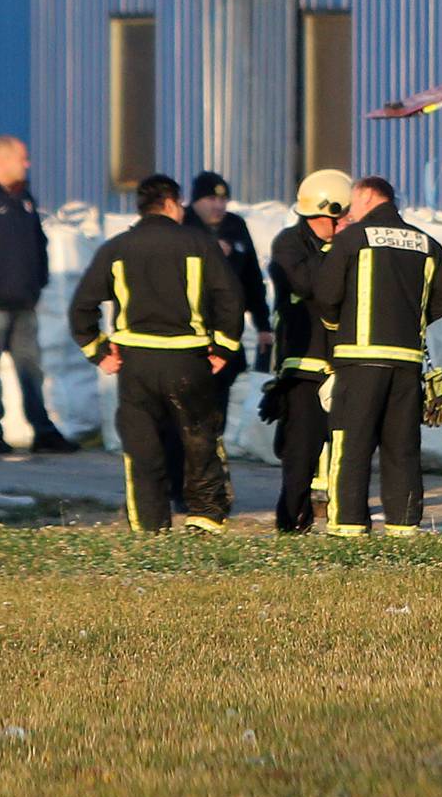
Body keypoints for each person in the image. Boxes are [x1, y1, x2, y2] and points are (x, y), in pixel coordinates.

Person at [68, 173, 244, 533]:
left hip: (136, 366)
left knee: (143, 449)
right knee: (199, 439)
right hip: (189, 361)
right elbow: (230, 297)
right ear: (169, 203)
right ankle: (206, 517)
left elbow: (81, 307)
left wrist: (99, 352)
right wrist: (224, 348)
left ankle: (150, 528)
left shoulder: (117, 248)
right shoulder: (198, 242)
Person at [314, 176, 442, 539]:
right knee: (403, 446)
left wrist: (337, 324)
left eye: (352, 203)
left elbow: (327, 294)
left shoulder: (351, 239)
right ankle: (404, 523)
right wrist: (414, 320)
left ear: (366, 197)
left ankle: (348, 523)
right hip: (406, 362)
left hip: (359, 359)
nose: (350, 211)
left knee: (352, 442)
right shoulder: (427, 243)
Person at [0, 134, 74, 455]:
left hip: (25, 303)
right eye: (22, 158)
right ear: (3, 160)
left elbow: (39, 243)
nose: (27, 164)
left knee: (32, 369)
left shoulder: (23, 198)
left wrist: (40, 280)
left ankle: (43, 431)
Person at [266, 168, 352, 534]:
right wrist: (341, 251)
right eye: (345, 214)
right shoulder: (289, 244)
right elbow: (310, 284)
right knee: (300, 450)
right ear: (328, 211)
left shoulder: (347, 244)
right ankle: (292, 520)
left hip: (345, 362)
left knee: (347, 447)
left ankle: (341, 516)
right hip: (304, 364)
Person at [188, 173, 273, 435]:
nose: (218, 206)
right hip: (191, 330)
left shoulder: (235, 226)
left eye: (223, 199)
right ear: (196, 201)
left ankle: (213, 449)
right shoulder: (183, 226)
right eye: (211, 199)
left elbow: (252, 280)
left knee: (221, 391)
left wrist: (263, 325)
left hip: (226, 328)